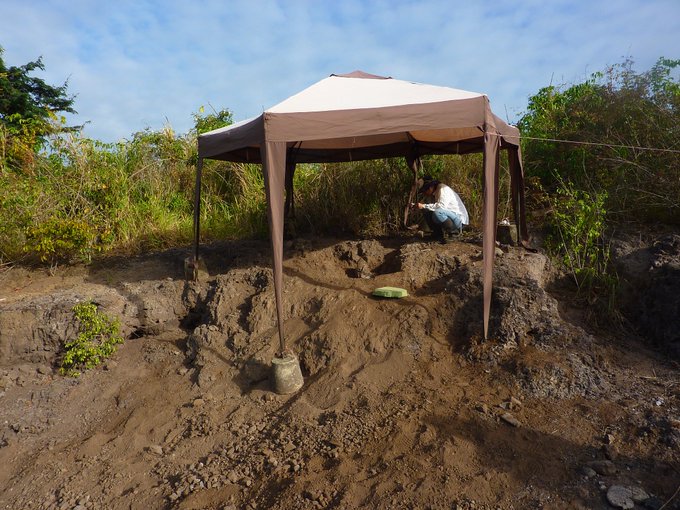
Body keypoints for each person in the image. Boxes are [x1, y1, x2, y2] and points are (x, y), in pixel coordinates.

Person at [415, 176, 469, 243]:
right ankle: (437, 235)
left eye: (424, 191)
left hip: (459, 220)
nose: (424, 193)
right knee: (427, 210)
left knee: (438, 212)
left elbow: (441, 206)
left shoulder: (442, 189)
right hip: (453, 217)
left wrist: (423, 205)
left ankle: (454, 234)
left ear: (430, 187)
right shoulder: (436, 191)